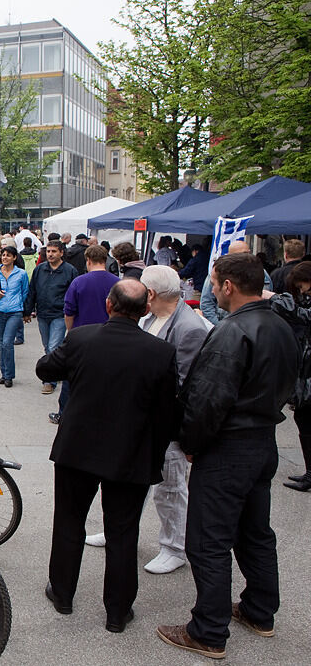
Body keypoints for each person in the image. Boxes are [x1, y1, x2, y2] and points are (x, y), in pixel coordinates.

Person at [158, 253, 299, 659]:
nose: (212, 289)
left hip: (229, 446)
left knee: (208, 540)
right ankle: (259, 611)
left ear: (228, 287)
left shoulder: (231, 332)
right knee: (255, 531)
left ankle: (208, 630)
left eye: (215, 283)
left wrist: (190, 442)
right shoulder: (278, 326)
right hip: (262, 441)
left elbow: (208, 399)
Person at [37, 279, 178, 634]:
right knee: (122, 532)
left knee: (69, 521)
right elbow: (167, 414)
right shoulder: (159, 352)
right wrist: (155, 454)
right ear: (144, 309)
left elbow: (45, 368)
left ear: (108, 305)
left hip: (78, 449)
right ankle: (117, 611)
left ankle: (64, 593)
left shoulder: (83, 338)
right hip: (130, 454)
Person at [84, 266, 211, 573]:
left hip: (164, 425)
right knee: (128, 481)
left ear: (150, 294)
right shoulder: (150, 317)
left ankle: (174, 546)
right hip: (137, 420)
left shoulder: (189, 327)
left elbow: (181, 385)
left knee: (170, 487)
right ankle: (118, 529)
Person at [50, 245, 120, 423]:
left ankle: (64, 413)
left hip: (82, 336)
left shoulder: (79, 282)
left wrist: (71, 332)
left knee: (72, 376)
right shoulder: (117, 283)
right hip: (110, 337)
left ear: (88, 260)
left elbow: (69, 312)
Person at [268, 261, 311, 491]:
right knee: (303, 420)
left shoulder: (300, 305)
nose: (301, 290)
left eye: (302, 285)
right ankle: (310, 471)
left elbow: (302, 315)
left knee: (305, 420)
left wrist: (275, 298)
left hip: (308, 372)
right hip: (305, 371)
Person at [25, 240, 79, 394]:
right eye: (48, 251)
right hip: (42, 313)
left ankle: (49, 380)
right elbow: (32, 290)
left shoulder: (70, 271)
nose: (50, 254)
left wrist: (72, 314)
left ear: (61, 253)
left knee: (53, 347)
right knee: (47, 345)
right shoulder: (40, 269)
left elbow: (73, 294)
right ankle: (59, 369)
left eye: (54, 251)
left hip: (59, 314)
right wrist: (27, 311)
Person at [0, 246, 29, 388]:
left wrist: (23, 308)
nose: (5, 258)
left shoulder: (21, 274)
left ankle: (9, 375)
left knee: (8, 342)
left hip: (14, 312)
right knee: (2, 343)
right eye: (3, 255)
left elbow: (25, 292)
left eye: (8, 255)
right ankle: (4, 373)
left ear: (14, 258)